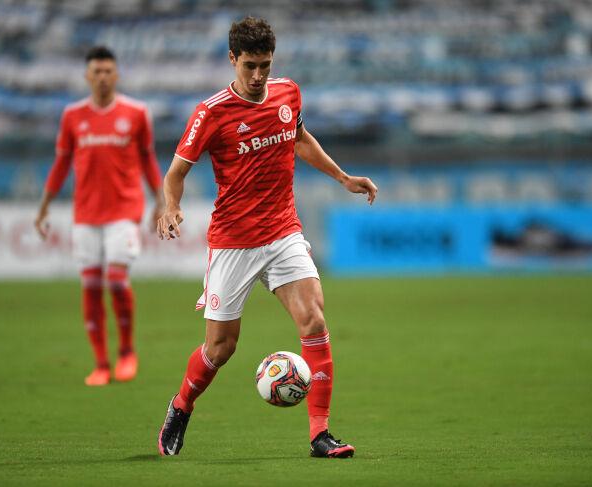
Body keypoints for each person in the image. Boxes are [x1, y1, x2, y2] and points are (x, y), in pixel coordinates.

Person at [156, 17, 377, 458]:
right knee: (221, 348)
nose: (258, 76)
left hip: (282, 231)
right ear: (233, 59)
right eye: (250, 66)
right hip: (234, 242)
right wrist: (172, 206)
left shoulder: (288, 92)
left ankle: (320, 435)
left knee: (314, 319)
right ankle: (181, 406)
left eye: (265, 65)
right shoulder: (211, 113)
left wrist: (342, 177)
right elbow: (176, 172)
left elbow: (298, 138)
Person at [34, 46, 164, 386]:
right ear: (87, 76)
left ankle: (126, 352)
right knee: (90, 285)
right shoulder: (72, 116)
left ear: (116, 75)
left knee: (117, 281)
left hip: (124, 209)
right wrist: (45, 204)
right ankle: (101, 363)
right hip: (86, 213)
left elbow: (149, 160)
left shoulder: (136, 113)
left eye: (108, 71)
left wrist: (161, 201)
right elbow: (62, 162)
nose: (103, 77)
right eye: (97, 71)